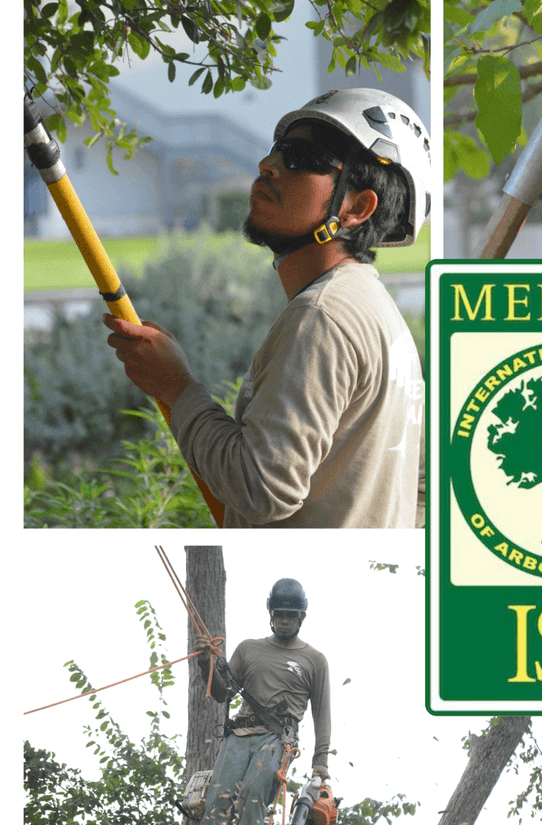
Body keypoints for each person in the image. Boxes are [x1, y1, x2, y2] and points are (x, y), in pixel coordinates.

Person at [103, 88, 429, 527]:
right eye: (278, 151)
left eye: (303, 158)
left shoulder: (323, 318)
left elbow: (263, 489)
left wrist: (174, 386)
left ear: (356, 207)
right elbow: (421, 487)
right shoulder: (379, 315)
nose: (268, 165)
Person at [186, 578, 331, 825]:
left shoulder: (314, 660)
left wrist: (320, 762)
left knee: (253, 796)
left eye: (291, 616)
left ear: (302, 617)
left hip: (278, 738)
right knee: (219, 797)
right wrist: (205, 663)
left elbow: (321, 713)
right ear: (270, 614)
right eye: (280, 615)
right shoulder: (249, 649)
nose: (285, 621)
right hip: (240, 735)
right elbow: (221, 693)